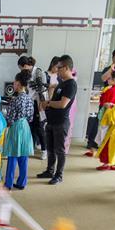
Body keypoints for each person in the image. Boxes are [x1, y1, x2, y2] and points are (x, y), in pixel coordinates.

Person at [36, 55, 76, 185]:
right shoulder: (61, 83)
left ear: (66, 68)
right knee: (50, 149)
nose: (57, 70)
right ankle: (50, 171)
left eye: (59, 68)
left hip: (61, 122)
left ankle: (59, 175)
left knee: (59, 150)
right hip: (52, 121)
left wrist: (47, 103)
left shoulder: (71, 84)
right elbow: (54, 100)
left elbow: (62, 104)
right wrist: (50, 90)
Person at [3, 71, 35, 191]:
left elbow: (9, 118)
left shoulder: (15, 100)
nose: (13, 84)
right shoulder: (29, 99)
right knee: (23, 156)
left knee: (12, 156)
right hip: (25, 126)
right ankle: (22, 182)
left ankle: (8, 184)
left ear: (19, 84)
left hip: (16, 127)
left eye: (15, 82)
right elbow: (31, 117)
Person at [85, 70, 115, 157]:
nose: (107, 80)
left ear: (113, 79)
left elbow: (103, 103)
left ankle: (99, 150)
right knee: (107, 132)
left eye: (109, 79)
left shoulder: (110, 90)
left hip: (107, 114)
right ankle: (97, 150)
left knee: (102, 132)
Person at [18, 56, 48, 160]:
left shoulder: (38, 72)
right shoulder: (27, 73)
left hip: (38, 103)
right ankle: (32, 147)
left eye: (21, 68)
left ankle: (44, 150)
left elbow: (42, 90)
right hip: (31, 102)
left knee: (39, 127)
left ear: (25, 65)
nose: (21, 71)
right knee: (31, 126)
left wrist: (42, 104)